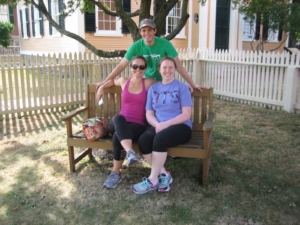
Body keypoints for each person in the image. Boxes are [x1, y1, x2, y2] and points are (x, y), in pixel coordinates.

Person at [131, 56, 193, 194]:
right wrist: (158, 125)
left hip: (181, 126)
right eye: (164, 67)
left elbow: (186, 115)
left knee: (159, 139)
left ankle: (152, 180)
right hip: (159, 125)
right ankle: (164, 175)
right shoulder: (153, 89)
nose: (167, 70)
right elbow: (149, 114)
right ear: (159, 70)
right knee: (144, 140)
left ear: (175, 69)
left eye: (171, 67)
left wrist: (166, 124)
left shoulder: (182, 88)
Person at [94, 18, 204, 92]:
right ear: (140, 32)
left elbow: (178, 66)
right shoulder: (136, 46)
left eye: (150, 30)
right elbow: (121, 65)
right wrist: (105, 82)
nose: (147, 33)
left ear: (155, 30)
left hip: (164, 82)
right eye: (144, 30)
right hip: (147, 84)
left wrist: (192, 84)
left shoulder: (165, 44)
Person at [96, 56, 157, 189]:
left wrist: (187, 86)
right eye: (135, 66)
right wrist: (101, 87)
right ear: (130, 68)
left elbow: (166, 83)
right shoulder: (124, 81)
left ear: (145, 69)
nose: (138, 69)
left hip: (137, 125)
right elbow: (112, 81)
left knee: (117, 137)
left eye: (141, 67)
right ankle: (130, 152)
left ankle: (115, 173)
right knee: (118, 118)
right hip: (120, 122)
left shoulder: (148, 82)